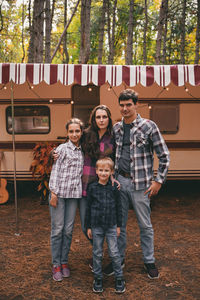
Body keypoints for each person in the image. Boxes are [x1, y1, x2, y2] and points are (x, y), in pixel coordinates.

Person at [103, 89, 170, 279]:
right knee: (119, 224)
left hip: (141, 184)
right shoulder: (116, 128)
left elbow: (164, 155)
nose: (125, 108)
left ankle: (149, 261)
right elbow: (111, 154)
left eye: (128, 105)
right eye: (122, 105)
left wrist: (158, 180)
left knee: (145, 225)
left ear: (136, 104)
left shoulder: (149, 126)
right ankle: (119, 259)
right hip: (120, 181)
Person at [52, 105, 116, 267]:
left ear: (109, 118)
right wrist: (52, 153)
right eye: (98, 117)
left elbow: (117, 157)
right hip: (83, 185)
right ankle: (97, 252)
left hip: (104, 185)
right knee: (86, 225)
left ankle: (109, 255)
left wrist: (114, 176)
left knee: (105, 221)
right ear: (93, 119)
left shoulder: (114, 136)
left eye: (104, 117)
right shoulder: (87, 134)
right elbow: (69, 144)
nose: (101, 120)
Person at [49, 118, 84, 281]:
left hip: (74, 195)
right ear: (67, 133)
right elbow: (55, 171)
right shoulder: (62, 149)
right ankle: (55, 264)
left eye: (77, 131)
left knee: (68, 230)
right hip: (59, 194)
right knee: (58, 229)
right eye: (71, 131)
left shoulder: (84, 150)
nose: (74, 134)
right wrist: (53, 193)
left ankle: (64, 262)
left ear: (81, 132)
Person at [85, 157, 125, 293]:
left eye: (106, 170)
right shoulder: (92, 187)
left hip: (111, 225)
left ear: (111, 172)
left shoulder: (114, 188)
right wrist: (88, 226)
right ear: (96, 171)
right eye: (100, 170)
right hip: (96, 226)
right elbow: (88, 208)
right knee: (97, 253)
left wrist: (119, 225)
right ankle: (98, 278)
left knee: (114, 252)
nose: (103, 173)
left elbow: (119, 208)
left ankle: (119, 277)